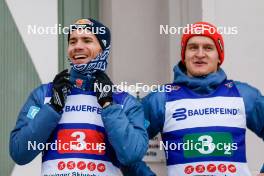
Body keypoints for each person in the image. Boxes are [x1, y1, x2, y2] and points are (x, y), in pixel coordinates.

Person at [9, 18, 148, 176]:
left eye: (87, 40)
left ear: (103, 49)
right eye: (73, 41)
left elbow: (132, 154)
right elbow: (19, 152)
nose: (78, 47)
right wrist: (53, 108)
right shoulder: (44, 95)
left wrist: (109, 105)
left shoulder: (125, 102)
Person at [122, 22, 264, 176]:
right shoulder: (161, 98)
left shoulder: (243, 94)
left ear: (219, 56)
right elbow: (125, 147)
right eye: (193, 47)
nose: (200, 54)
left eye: (208, 48)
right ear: (184, 55)